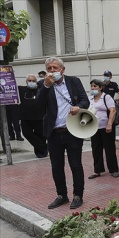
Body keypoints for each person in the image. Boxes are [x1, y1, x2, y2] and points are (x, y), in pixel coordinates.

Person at [37, 56, 89, 209]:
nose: (52, 71)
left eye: (55, 68)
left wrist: (78, 106)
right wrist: (46, 87)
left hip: (72, 131)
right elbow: (39, 105)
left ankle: (78, 195)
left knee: (75, 165)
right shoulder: (43, 84)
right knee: (56, 166)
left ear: (62, 69)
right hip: (53, 132)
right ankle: (62, 195)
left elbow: (85, 100)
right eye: (49, 69)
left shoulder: (74, 81)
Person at [87, 79, 119, 179]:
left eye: (95, 86)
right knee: (96, 148)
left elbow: (112, 111)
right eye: (92, 86)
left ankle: (113, 169)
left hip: (106, 127)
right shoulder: (90, 98)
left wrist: (109, 124)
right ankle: (98, 170)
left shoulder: (106, 97)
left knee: (109, 149)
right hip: (94, 128)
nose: (93, 88)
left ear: (100, 87)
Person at [18, 74, 47, 158]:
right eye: (29, 81)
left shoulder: (40, 90)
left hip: (39, 117)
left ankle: (41, 153)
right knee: (27, 133)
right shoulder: (21, 89)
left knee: (40, 135)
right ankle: (44, 147)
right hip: (25, 118)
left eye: (33, 81)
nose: (31, 82)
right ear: (26, 82)